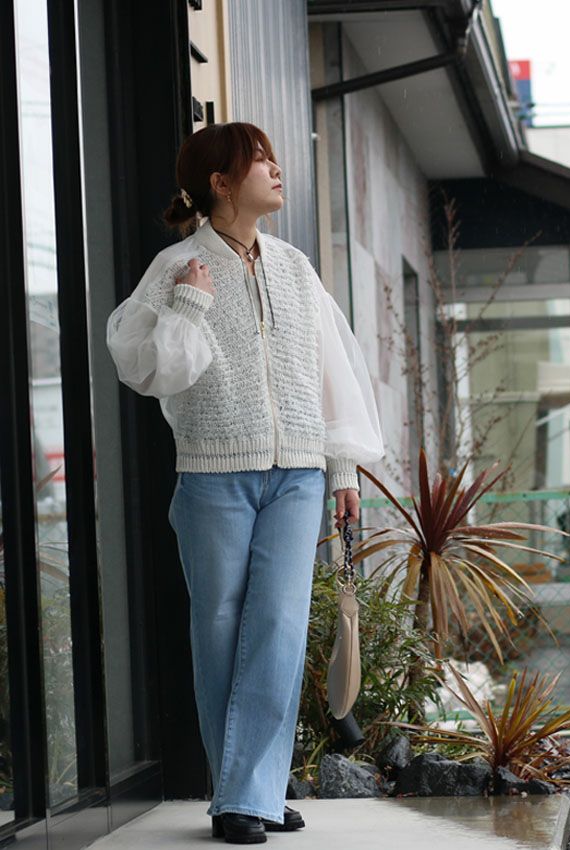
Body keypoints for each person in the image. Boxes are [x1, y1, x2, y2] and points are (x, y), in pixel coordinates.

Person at [106, 122, 384, 844]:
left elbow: (329, 371)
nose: (275, 168)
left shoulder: (294, 266)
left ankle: (245, 794)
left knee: (281, 627)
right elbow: (149, 371)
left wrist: (343, 466)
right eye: (259, 160)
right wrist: (189, 304)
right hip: (213, 476)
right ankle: (249, 792)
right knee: (220, 630)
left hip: (297, 473)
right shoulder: (177, 267)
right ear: (220, 183)